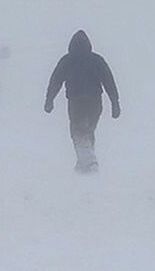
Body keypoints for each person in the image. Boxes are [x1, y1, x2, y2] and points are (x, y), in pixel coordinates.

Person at [44, 30, 120, 173]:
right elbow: (109, 82)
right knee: (88, 131)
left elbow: (55, 81)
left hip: (76, 102)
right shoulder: (97, 60)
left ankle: (90, 163)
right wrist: (115, 103)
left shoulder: (67, 60)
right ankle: (83, 164)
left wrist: (49, 100)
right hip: (95, 102)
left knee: (78, 131)